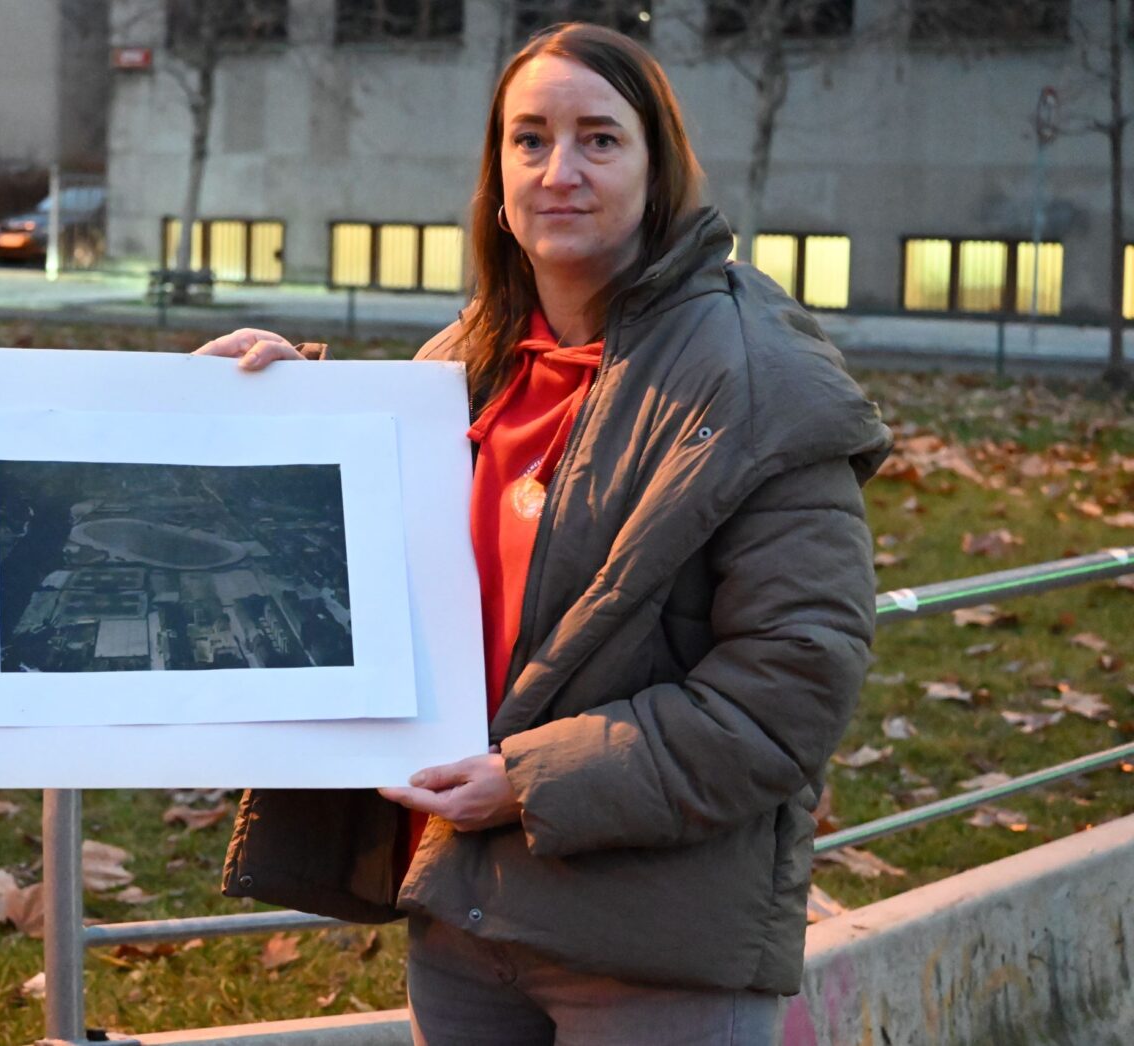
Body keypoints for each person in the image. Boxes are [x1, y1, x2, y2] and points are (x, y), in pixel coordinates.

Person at [202, 23, 890, 1046]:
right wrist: (286, 414)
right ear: (494, 172)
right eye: (527, 139)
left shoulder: (756, 377)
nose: (557, 170)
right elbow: (363, 590)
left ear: (657, 168)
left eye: (597, 139)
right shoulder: (462, 362)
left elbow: (789, 687)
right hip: (465, 921)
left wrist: (524, 781)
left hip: (652, 947)